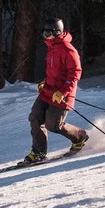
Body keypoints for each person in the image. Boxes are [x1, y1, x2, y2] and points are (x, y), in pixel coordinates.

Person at [25, 17, 89, 165]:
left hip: (62, 94)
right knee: (35, 117)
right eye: (43, 33)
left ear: (57, 32)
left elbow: (75, 73)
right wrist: (44, 82)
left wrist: (63, 92)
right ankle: (38, 153)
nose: (44, 36)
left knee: (53, 125)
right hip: (48, 92)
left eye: (47, 33)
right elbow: (55, 72)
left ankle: (80, 137)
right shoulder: (52, 48)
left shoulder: (68, 50)